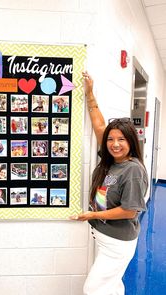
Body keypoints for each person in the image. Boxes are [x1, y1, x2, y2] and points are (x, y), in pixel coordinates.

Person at [70, 71, 148, 295]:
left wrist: (92, 215)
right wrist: (90, 94)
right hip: (106, 238)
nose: (115, 144)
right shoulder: (111, 160)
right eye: (111, 139)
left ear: (131, 142)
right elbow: (99, 124)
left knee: (93, 289)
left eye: (121, 139)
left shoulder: (132, 169)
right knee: (111, 287)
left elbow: (129, 211)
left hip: (118, 242)